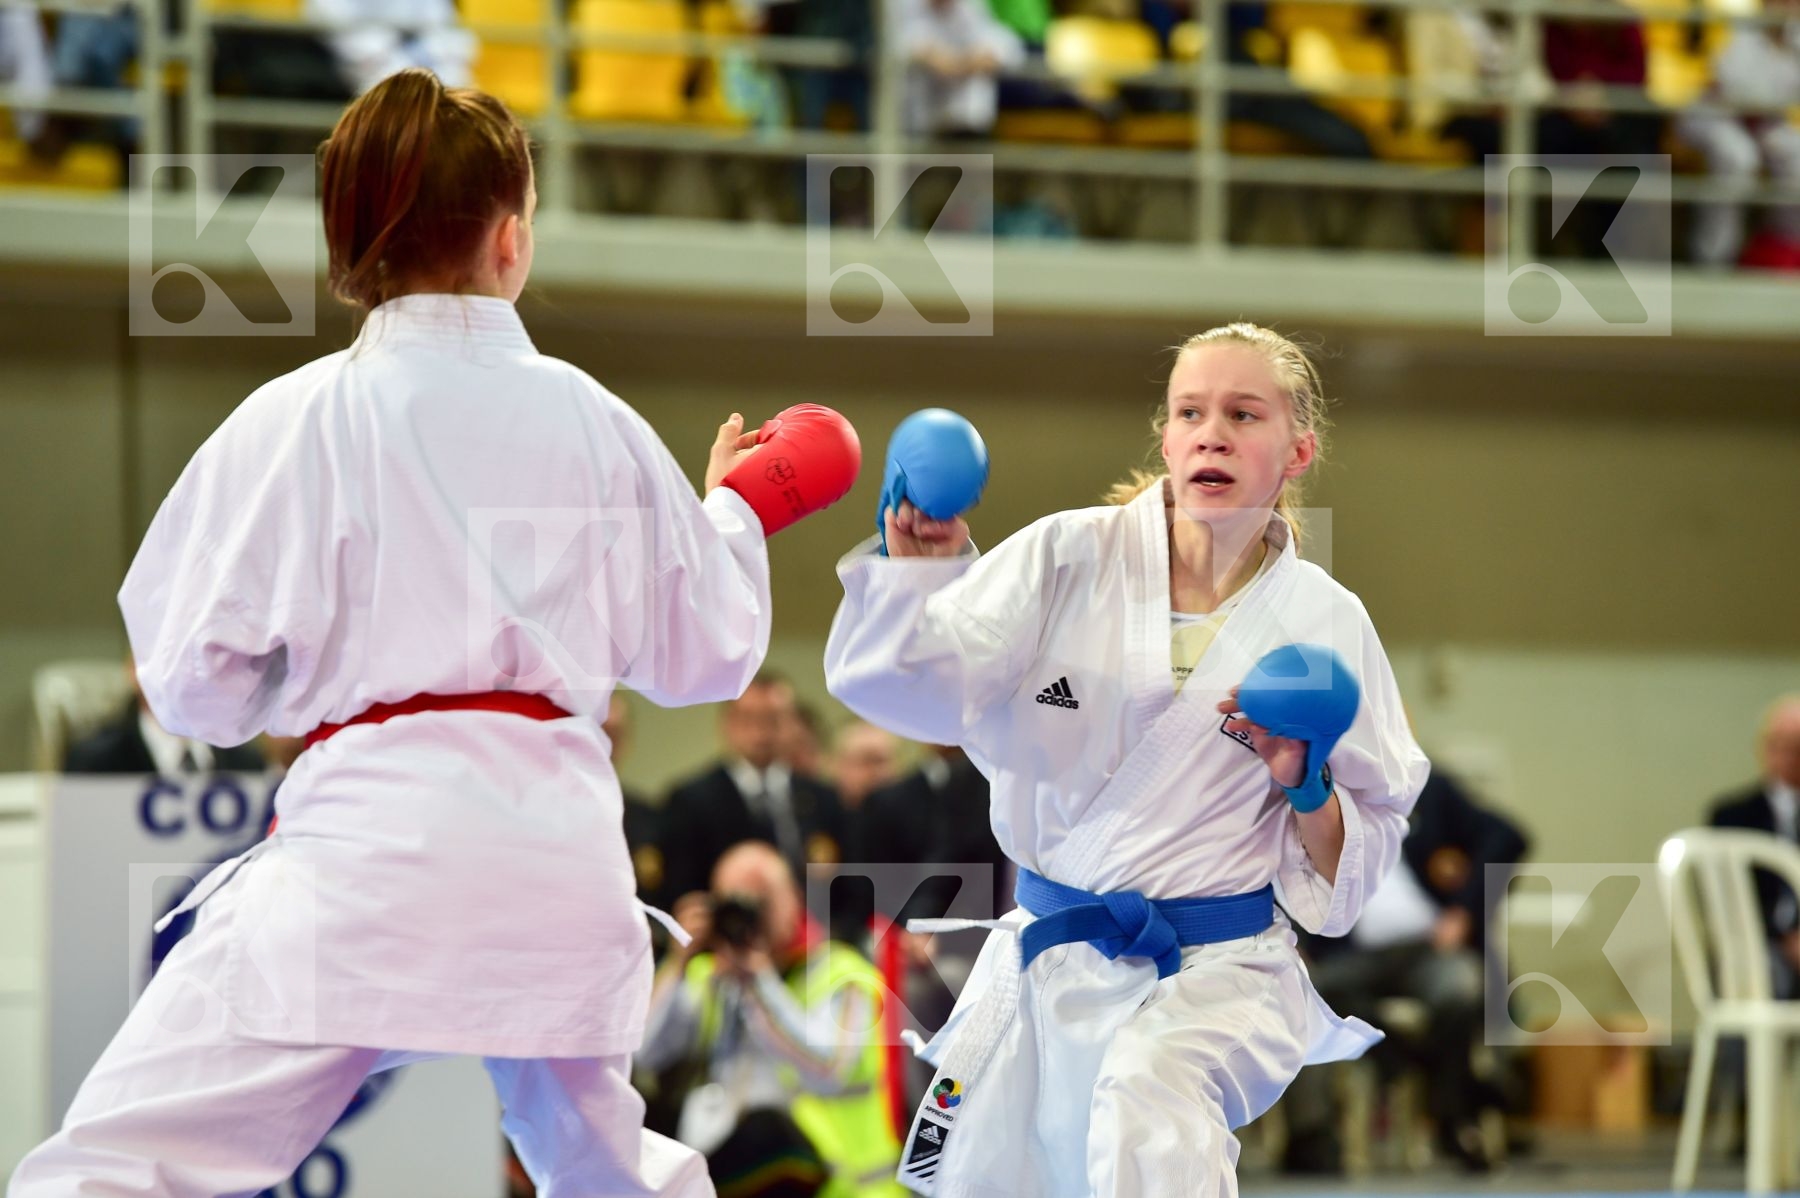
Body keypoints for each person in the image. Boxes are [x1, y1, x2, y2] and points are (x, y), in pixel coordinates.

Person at [10, 68, 858, 1198]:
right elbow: (704, 653)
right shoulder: (596, 420)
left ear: (354, 241)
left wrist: (297, 687)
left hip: (365, 866)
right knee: (606, 1169)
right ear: (512, 240)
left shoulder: (296, 417)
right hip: (558, 870)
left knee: (122, 1165)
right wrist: (735, 511)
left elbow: (190, 686)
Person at [824, 323, 1428, 1197]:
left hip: (1220, 969)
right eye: (1191, 411)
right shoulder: (1067, 556)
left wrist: (1306, 782)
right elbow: (922, 691)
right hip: (1051, 953)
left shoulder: (1325, 622)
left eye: (1243, 414)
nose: (1212, 432)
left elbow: (1354, 867)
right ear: (1167, 437)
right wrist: (922, 574)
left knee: (1149, 1099)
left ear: (1298, 450)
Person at [1281, 767, 1529, 1174]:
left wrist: (1464, 910)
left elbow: (1506, 836)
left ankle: (1439, 1102)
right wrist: (1295, 942)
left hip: (1427, 947)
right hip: (1346, 955)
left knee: (1463, 985)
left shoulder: (1423, 785)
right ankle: (1315, 1135)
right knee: (1301, 992)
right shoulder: (1307, 785)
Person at [640, 841, 907, 1197]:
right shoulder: (711, 974)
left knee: (766, 1134)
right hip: (730, 1170)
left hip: (836, 1184)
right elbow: (645, 1052)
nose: (748, 917)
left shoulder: (845, 974)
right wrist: (678, 962)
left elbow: (828, 1069)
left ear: (793, 898)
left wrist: (758, 980)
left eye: (760, 899)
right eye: (732, 903)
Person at [662, 673, 849, 907]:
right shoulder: (691, 800)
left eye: (773, 719)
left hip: (813, 934)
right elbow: (683, 890)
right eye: (748, 719)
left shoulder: (824, 799)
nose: (760, 732)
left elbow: (846, 887)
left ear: (793, 724)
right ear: (727, 723)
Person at [1676, 0, 1800, 268]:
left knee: (1797, 155)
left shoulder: (1795, 42)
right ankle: (1713, 258)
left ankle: (1782, 250)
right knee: (1738, 158)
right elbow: (1732, 88)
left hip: (1765, 124)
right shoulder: (1739, 32)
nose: (1787, 9)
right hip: (1719, 118)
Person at [1707, 694, 1800, 998]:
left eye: (1796, 745)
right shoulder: (1732, 815)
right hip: (1759, 939)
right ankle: (1750, 1047)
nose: (1788, 755)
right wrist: (1784, 937)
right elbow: (1724, 896)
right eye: (1779, 744)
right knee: (1755, 967)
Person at [64, 655, 266, 775]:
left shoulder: (247, 764)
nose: (180, 671)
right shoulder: (95, 764)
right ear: (133, 669)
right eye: (166, 656)